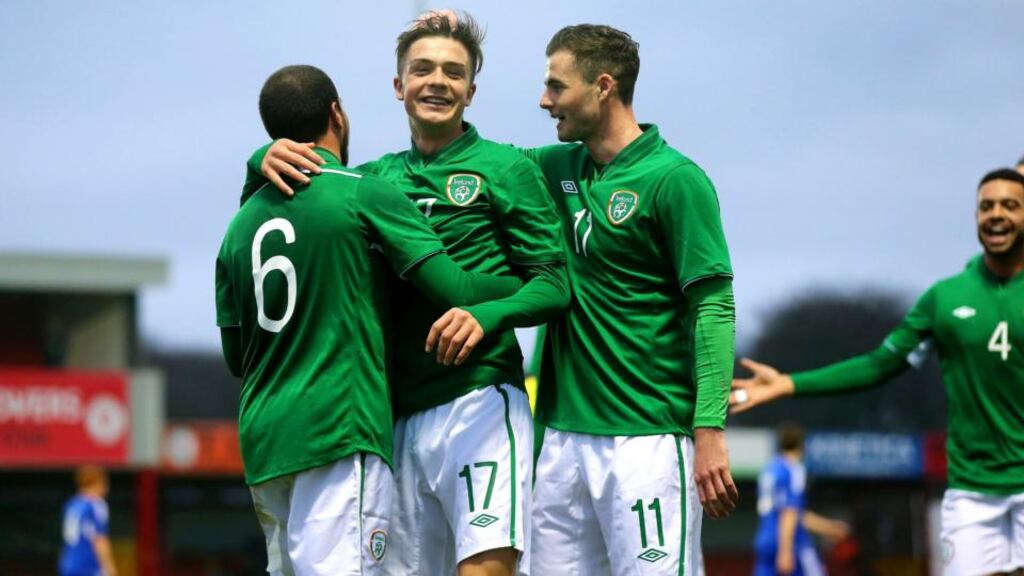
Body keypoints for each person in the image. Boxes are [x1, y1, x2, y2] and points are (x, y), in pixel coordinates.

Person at [242, 15, 569, 576]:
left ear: (472, 89)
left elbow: (555, 283)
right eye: (422, 69)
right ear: (399, 86)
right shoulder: (373, 180)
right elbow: (297, 210)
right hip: (394, 415)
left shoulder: (508, 167)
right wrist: (259, 160)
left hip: (481, 399)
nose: (437, 81)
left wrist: (486, 313)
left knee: (486, 565)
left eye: (453, 71)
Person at [516, 24, 740, 576]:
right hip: (562, 442)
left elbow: (712, 308)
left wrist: (708, 429)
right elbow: (467, 164)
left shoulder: (676, 179)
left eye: (556, 86)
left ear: (603, 87)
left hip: (648, 442)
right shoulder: (554, 167)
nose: (544, 101)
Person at [732, 168, 1024, 576]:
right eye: (986, 206)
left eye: (1010, 205)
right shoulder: (946, 299)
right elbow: (878, 365)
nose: (996, 215)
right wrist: (790, 383)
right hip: (972, 491)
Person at [754, 424, 849, 576]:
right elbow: (789, 511)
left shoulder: (769, 470)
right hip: (793, 543)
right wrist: (785, 550)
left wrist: (828, 527)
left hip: (765, 540)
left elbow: (795, 514)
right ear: (802, 446)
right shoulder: (793, 469)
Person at [59, 466, 117, 576]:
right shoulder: (96, 504)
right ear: (98, 482)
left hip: (68, 563)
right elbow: (99, 539)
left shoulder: (71, 504)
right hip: (89, 565)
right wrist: (110, 568)